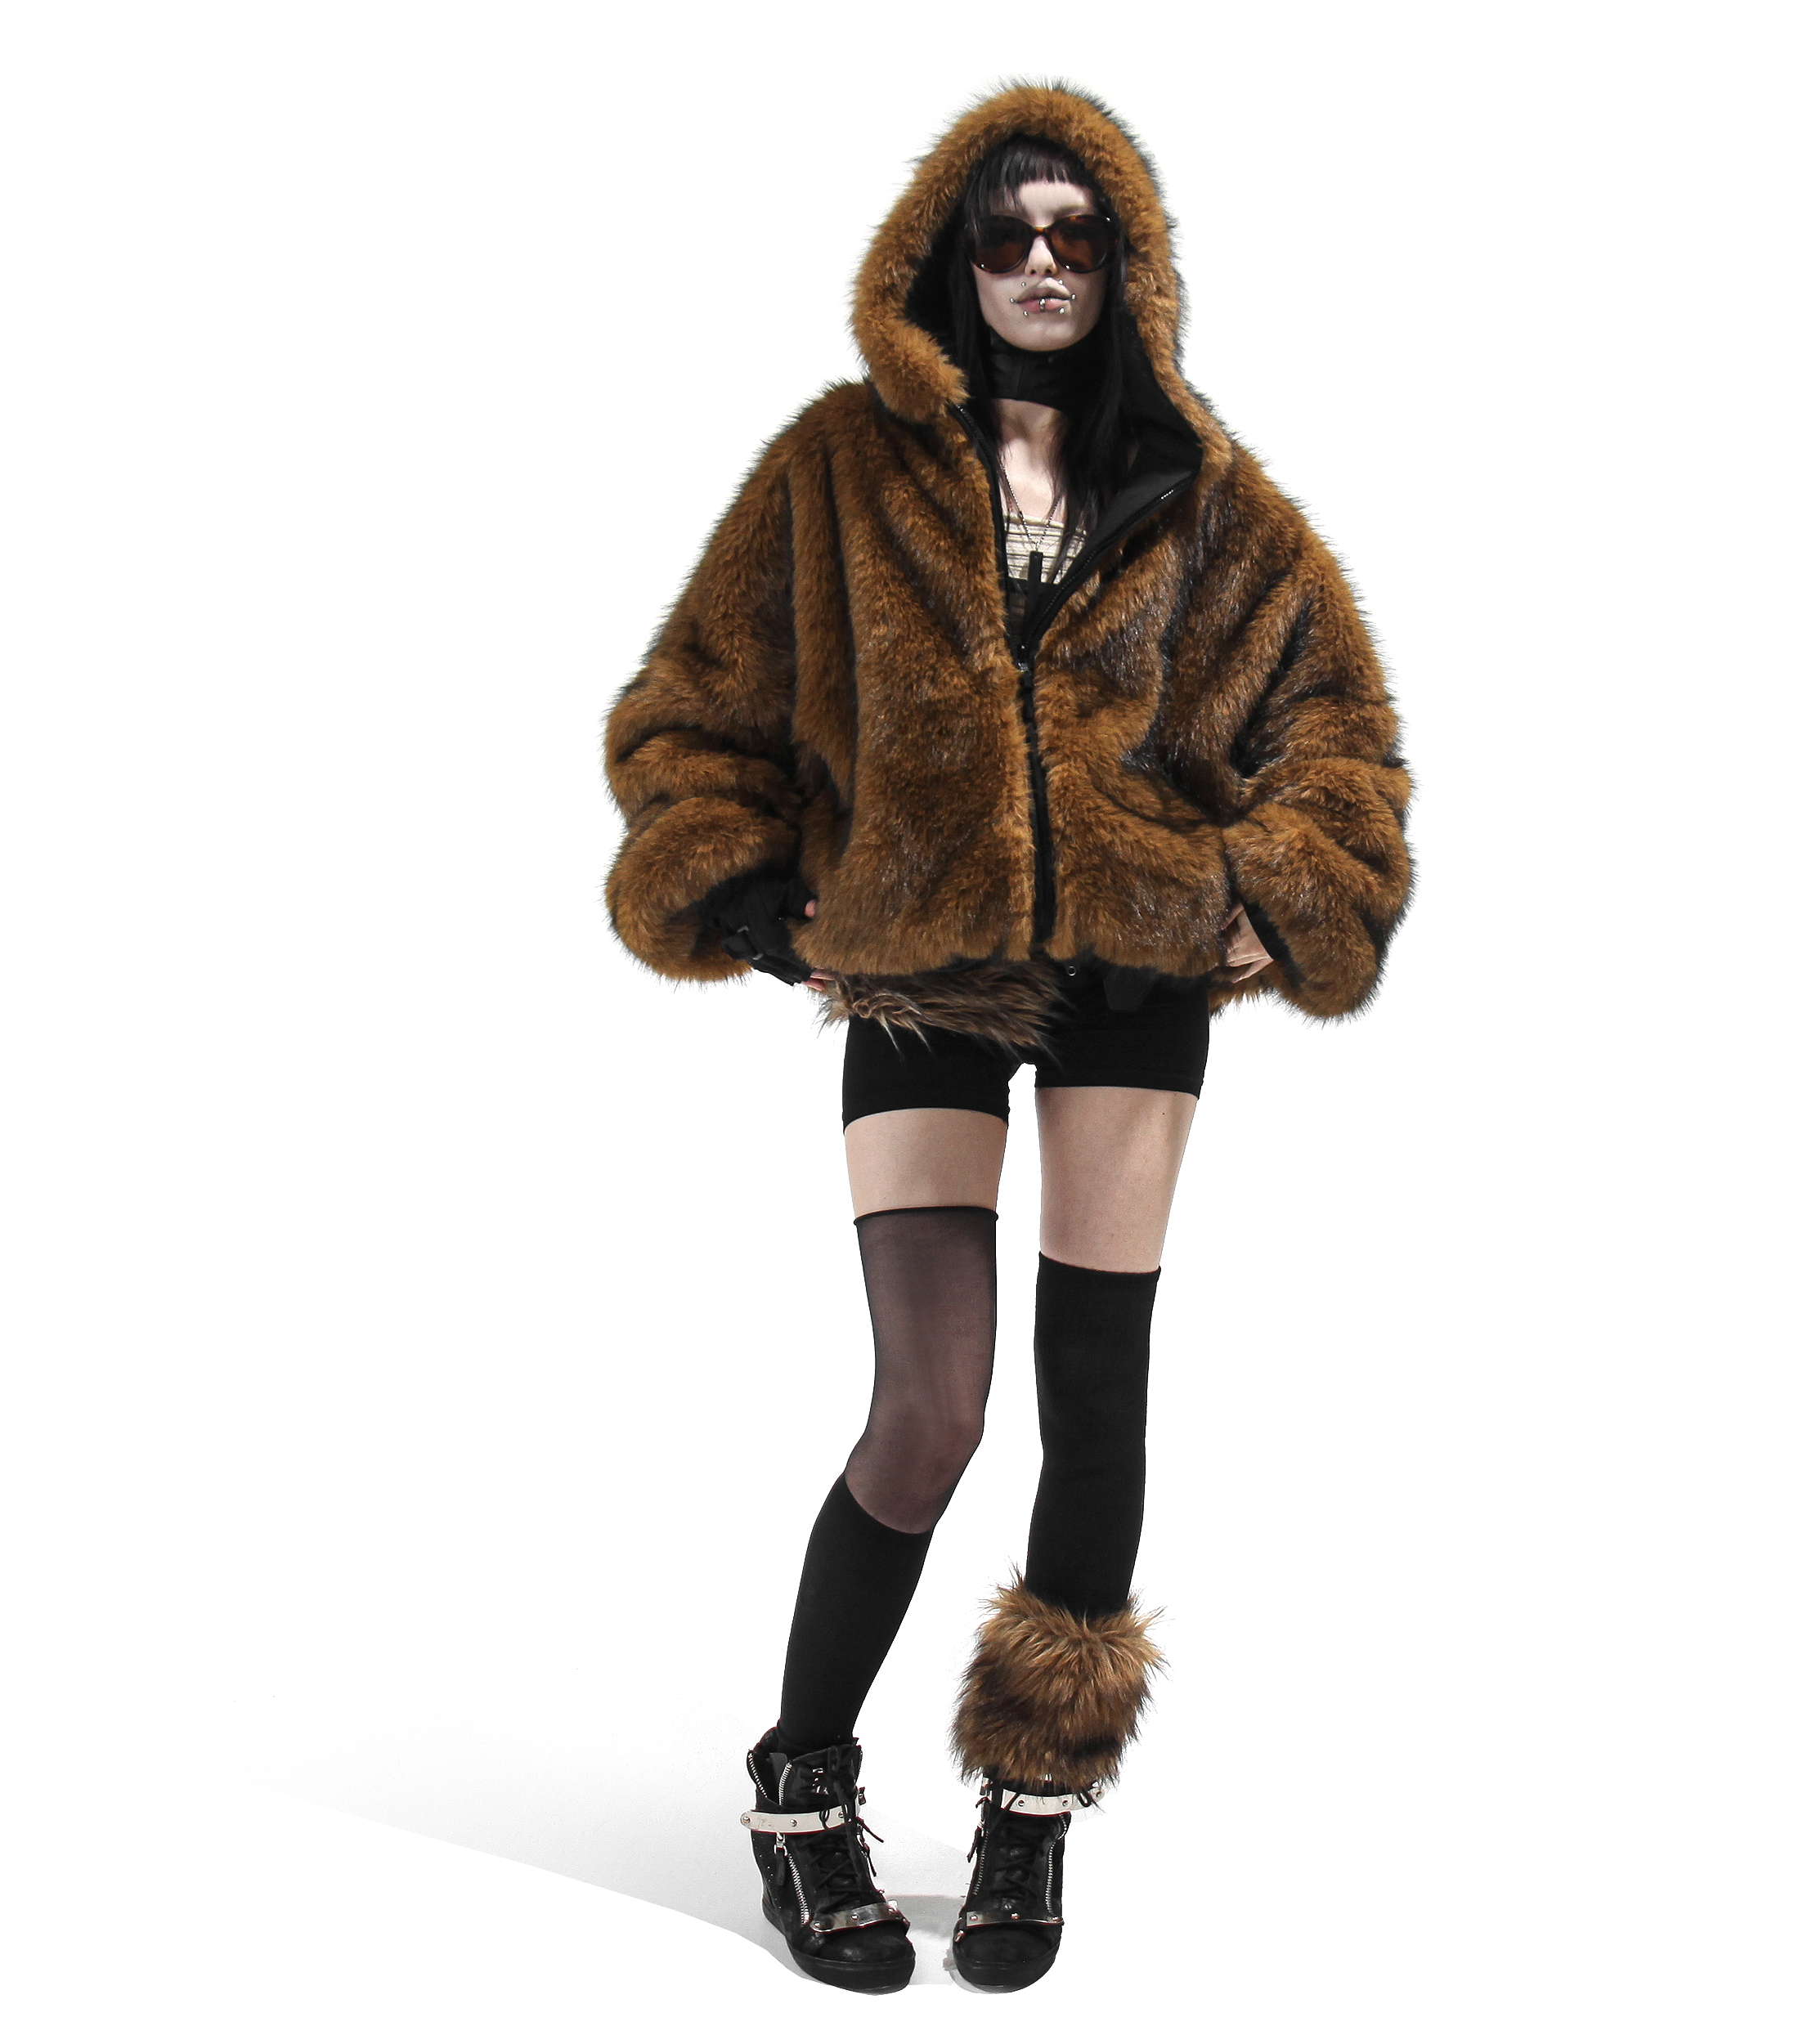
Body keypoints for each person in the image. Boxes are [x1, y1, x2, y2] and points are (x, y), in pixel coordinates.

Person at [603, 83, 1412, 1993]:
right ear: (944, 261)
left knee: (1094, 1390)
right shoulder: (836, 469)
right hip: (923, 973)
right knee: (931, 1403)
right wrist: (743, 886)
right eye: (1003, 233)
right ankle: (801, 1785)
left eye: (1074, 234)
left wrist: (1275, 881)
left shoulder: (1196, 487)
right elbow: (688, 705)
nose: (1039, 262)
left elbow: (1335, 727)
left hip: (1132, 968)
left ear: (1123, 265)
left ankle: (1029, 1806)